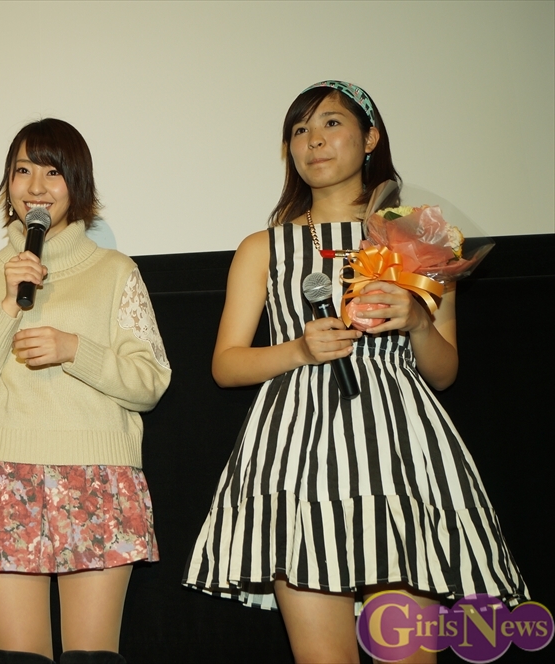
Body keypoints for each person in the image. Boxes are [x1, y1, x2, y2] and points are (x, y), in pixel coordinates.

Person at [182, 82, 528, 663]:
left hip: (399, 454)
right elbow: (226, 365)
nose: (314, 140)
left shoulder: (420, 236)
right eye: (300, 130)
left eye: (331, 123)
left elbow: (444, 372)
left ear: (370, 139)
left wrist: (418, 322)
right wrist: (299, 350)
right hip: (297, 456)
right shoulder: (264, 247)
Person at [0, 118, 171, 664]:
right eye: (23, 171)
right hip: (3, 477)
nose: (36, 186)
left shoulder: (116, 271)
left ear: (77, 183)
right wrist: (6, 306)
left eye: (52, 171)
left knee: (92, 658)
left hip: (98, 476)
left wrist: (74, 349)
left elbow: (151, 382)